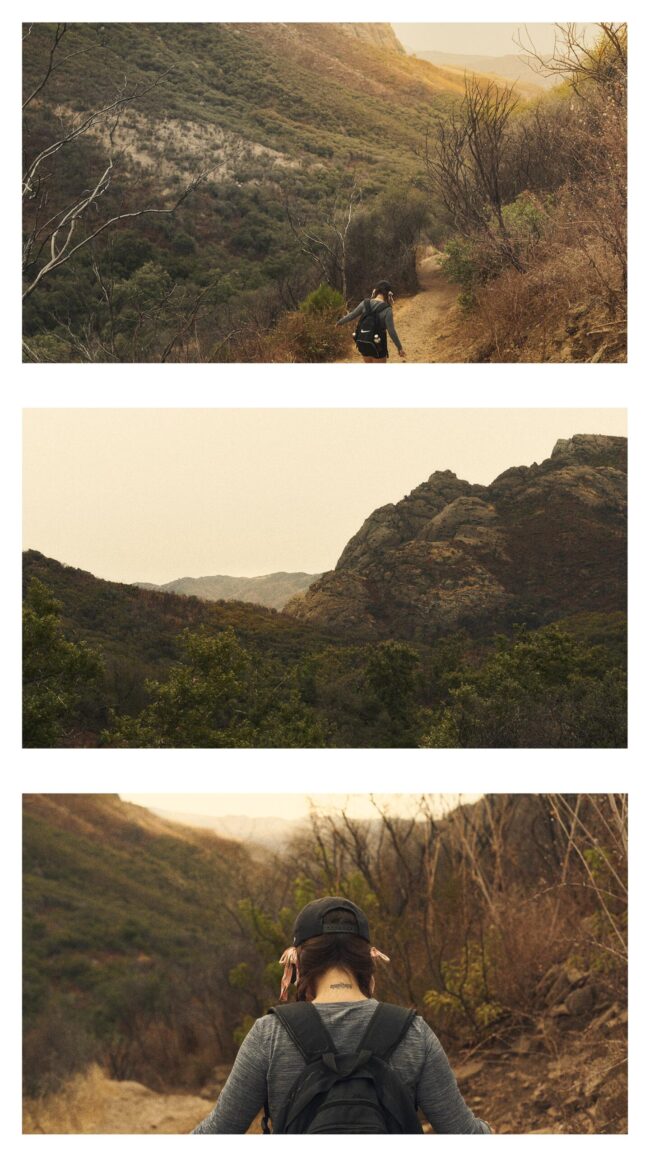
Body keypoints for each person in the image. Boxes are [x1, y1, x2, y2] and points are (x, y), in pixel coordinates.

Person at [192, 897, 491, 1134]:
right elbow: (463, 1135)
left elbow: (218, 1133)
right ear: (369, 960)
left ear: (298, 963)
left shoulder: (268, 1035)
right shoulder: (414, 1033)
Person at [336, 280, 406, 363]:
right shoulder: (387, 310)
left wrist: (339, 322)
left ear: (375, 290)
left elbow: (351, 315)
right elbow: (391, 331)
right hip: (378, 345)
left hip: (364, 342)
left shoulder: (365, 303)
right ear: (388, 293)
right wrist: (399, 347)